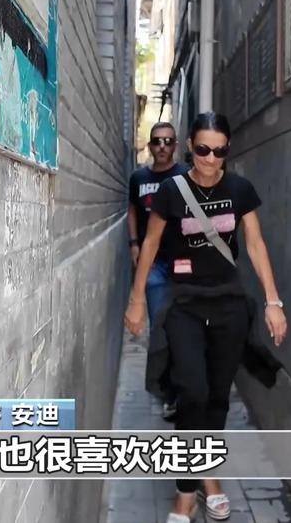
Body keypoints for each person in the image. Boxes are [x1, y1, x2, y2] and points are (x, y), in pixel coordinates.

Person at [124, 111, 287, 523]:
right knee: (192, 392)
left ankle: (207, 475)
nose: (211, 159)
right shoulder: (171, 191)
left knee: (217, 397)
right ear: (189, 147)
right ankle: (186, 494)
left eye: (219, 151)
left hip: (229, 305)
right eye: (202, 149)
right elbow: (151, 243)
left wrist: (273, 301)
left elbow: (255, 245)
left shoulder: (240, 190)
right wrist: (136, 300)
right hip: (185, 304)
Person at [127, 122, 188, 420]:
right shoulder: (139, 178)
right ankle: (169, 392)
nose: (162, 146)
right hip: (152, 266)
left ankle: (179, 387)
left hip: (182, 266)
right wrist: (133, 243)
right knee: (160, 330)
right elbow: (132, 210)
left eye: (167, 141)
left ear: (175, 145)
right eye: (157, 141)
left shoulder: (185, 176)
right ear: (150, 145)